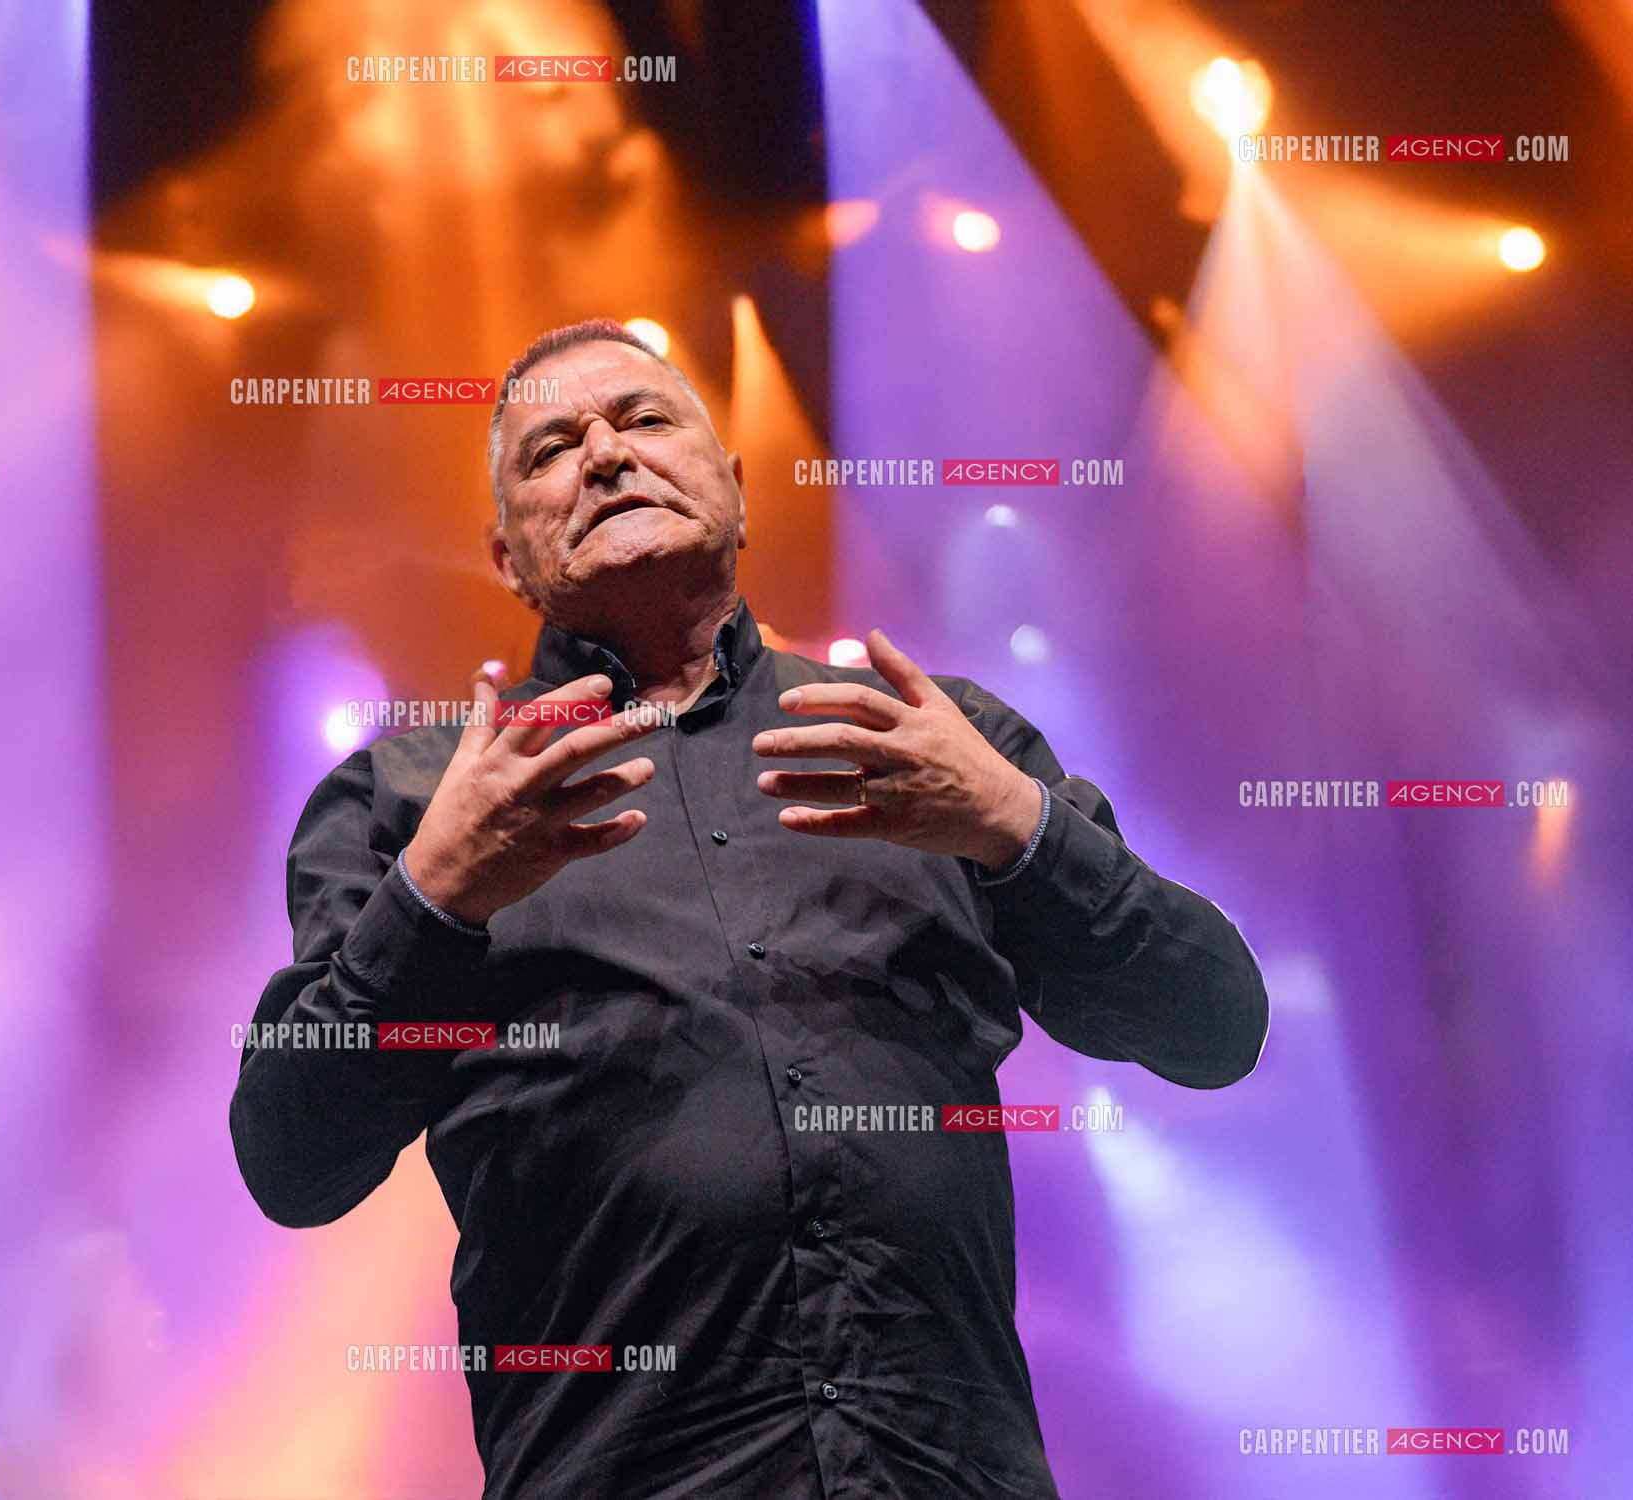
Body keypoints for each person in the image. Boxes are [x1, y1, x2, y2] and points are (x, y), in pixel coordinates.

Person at [231, 319, 1269, 1499]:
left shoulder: (934, 744)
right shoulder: (412, 801)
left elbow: (1215, 1027)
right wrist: (438, 896)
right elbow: (290, 1160)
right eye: (552, 450)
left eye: (646, 419)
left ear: (734, 489)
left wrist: (1016, 827)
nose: (608, 457)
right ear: (508, 557)